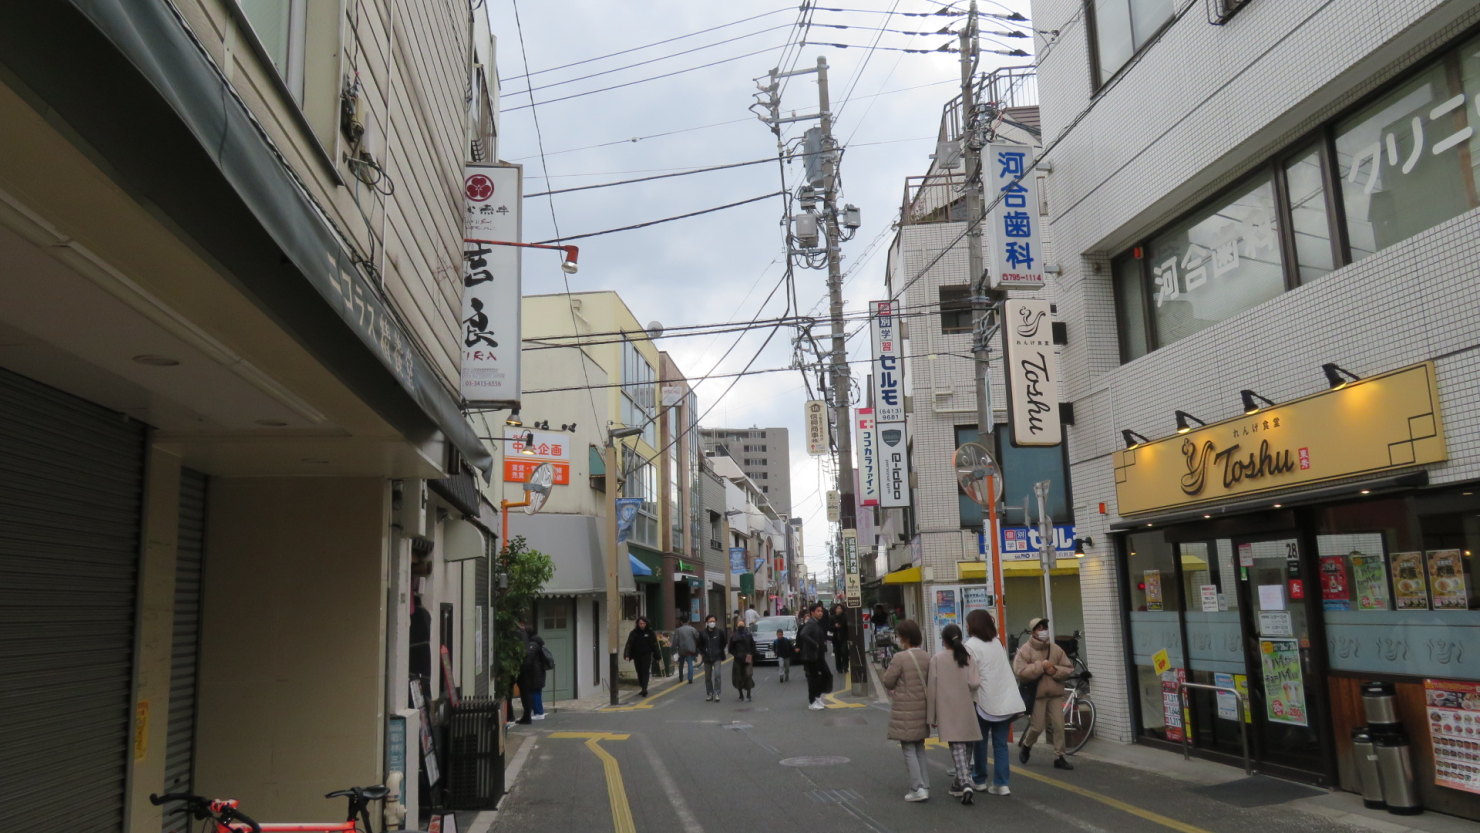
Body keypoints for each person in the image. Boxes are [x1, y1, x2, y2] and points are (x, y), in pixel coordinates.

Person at [964, 609, 1024, 794]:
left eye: (968, 622)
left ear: (973, 625)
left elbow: (970, 676)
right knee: (1000, 743)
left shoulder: (970, 645)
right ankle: (1001, 783)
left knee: (980, 742)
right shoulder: (998, 642)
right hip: (1005, 699)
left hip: (983, 700)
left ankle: (979, 780)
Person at [927, 624, 982, 805]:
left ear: (943, 641)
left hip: (946, 708)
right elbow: (974, 683)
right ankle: (960, 783)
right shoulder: (968, 658)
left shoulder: (937, 659)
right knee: (967, 744)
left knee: (957, 746)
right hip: (966, 706)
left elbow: (932, 689)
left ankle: (964, 783)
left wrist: (931, 716)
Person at [1014, 617, 1075, 770]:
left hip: (1054, 693)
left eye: (1044, 627)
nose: (1043, 631)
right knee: (1037, 727)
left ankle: (1060, 756)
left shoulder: (1055, 649)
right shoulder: (1025, 650)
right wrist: (1040, 666)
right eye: (1039, 628)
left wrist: (1054, 670)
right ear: (1033, 631)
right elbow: (1020, 672)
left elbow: (1068, 668)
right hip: (1038, 695)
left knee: (1059, 726)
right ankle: (1027, 745)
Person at [881, 619, 931, 802]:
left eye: (899, 635)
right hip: (922, 708)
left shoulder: (899, 658)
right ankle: (925, 785)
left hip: (905, 709)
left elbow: (888, 681)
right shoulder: (927, 657)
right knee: (920, 747)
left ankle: (917, 788)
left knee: (908, 747)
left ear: (904, 638)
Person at [799, 603, 833, 710]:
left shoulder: (817, 623)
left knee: (827, 674)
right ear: (812, 612)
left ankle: (817, 696)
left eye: (821, 611)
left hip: (819, 655)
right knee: (813, 679)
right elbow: (803, 634)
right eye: (818, 611)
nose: (820, 613)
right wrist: (815, 644)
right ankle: (812, 702)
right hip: (811, 656)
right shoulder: (811, 623)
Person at [516, 625, 547, 724]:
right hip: (538, 672)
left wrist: (523, 667)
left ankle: (538, 712)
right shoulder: (537, 643)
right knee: (537, 692)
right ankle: (539, 711)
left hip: (534, 673)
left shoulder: (532, 645)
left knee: (533, 692)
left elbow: (529, 658)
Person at [623, 616, 659, 697]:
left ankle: (644, 688)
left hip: (646, 655)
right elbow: (629, 644)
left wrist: (657, 656)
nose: (642, 625)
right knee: (639, 671)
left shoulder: (650, 632)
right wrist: (627, 655)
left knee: (645, 671)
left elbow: (654, 645)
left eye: (643, 623)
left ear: (646, 624)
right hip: (637, 655)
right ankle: (642, 687)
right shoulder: (634, 633)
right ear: (638, 624)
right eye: (640, 623)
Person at [696, 614, 728, 702]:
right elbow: (699, 645)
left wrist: (719, 650)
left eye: (714, 621)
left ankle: (717, 693)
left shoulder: (720, 632)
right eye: (710, 621)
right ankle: (709, 693)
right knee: (707, 677)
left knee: (717, 675)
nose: (712, 623)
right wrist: (703, 652)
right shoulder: (702, 633)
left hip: (717, 657)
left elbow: (724, 643)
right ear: (707, 622)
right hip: (707, 657)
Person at [728, 620, 758, 700]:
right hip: (738, 659)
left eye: (742, 624)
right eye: (739, 624)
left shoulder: (749, 635)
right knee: (738, 677)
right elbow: (730, 649)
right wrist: (736, 655)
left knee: (748, 675)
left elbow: (753, 646)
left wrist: (751, 654)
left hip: (747, 658)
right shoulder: (733, 636)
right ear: (737, 626)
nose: (741, 626)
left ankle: (749, 694)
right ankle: (740, 694)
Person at [672, 617, 699, 684]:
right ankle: (690, 678)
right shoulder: (692, 629)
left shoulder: (678, 630)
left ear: (681, 622)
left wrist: (674, 650)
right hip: (690, 649)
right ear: (688, 621)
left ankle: (681, 677)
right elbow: (698, 637)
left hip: (681, 649)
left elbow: (675, 641)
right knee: (690, 663)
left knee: (681, 664)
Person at [830, 603, 850, 676]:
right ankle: (839, 668)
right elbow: (829, 628)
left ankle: (845, 666)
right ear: (835, 610)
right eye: (837, 608)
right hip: (835, 638)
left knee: (845, 652)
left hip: (843, 637)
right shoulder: (832, 618)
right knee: (837, 654)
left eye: (840, 608)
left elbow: (848, 628)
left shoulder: (845, 617)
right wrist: (835, 627)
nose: (839, 609)